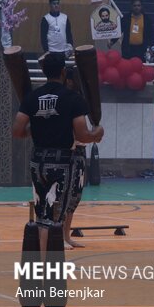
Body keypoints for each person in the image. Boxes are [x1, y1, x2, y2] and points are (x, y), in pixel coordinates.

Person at [12, 53, 104, 255]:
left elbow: (17, 131)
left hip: (38, 162)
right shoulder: (73, 98)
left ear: (44, 72)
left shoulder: (32, 97)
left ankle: (40, 259)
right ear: (63, 72)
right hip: (62, 162)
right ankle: (50, 264)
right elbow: (82, 134)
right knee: (56, 217)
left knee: (42, 214)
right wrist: (96, 134)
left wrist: (36, 128)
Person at [62, 67, 89, 249]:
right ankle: (59, 237)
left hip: (80, 151)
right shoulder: (65, 100)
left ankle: (66, 235)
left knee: (75, 195)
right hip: (67, 152)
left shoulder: (80, 100)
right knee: (64, 194)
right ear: (70, 81)